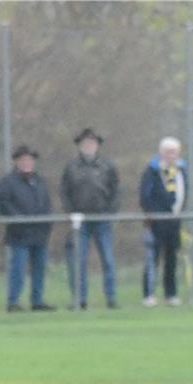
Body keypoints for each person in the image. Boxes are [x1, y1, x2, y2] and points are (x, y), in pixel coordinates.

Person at [60, 128, 120, 309]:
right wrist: (71, 212)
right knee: (79, 261)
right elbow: (64, 193)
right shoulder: (71, 167)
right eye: (85, 143)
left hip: (102, 219)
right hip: (81, 222)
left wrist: (110, 212)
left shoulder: (107, 166)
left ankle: (111, 297)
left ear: (97, 146)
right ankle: (80, 299)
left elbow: (116, 191)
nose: (89, 146)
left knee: (108, 260)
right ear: (80, 145)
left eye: (92, 143)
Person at [0, 145, 54, 312]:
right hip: (20, 234)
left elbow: (46, 203)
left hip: (40, 233)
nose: (27, 163)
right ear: (17, 162)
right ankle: (13, 301)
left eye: (30, 160)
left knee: (40, 269)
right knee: (18, 269)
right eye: (24, 160)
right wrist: (18, 219)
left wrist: (47, 221)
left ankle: (37, 300)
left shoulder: (40, 181)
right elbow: (3, 203)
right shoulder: (8, 182)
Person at [138, 136, 187, 307]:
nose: (171, 155)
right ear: (161, 153)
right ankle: (149, 294)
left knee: (172, 258)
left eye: (174, 152)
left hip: (175, 222)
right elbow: (145, 195)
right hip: (157, 222)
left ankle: (171, 294)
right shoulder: (152, 171)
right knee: (153, 258)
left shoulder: (181, 170)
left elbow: (183, 193)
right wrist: (153, 214)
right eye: (168, 152)